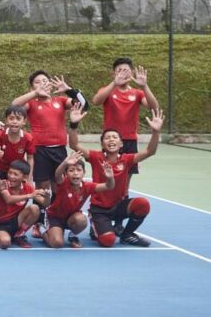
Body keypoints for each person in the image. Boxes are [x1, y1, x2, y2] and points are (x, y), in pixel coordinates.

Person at [69, 105, 163, 247]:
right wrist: (74, 124)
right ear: (102, 143)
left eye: (114, 137)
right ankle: (95, 222)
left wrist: (156, 132)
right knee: (108, 242)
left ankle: (127, 235)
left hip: (119, 206)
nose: (111, 140)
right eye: (107, 138)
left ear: (120, 143)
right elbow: (74, 144)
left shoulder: (127, 159)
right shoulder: (96, 157)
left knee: (142, 204)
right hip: (100, 209)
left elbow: (150, 151)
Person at [91, 58, 159, 176]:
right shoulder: (107, 90)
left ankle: (124, 195)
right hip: (111, 140)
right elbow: (96, 101)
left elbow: (154, 107)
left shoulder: (138, 93)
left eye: (126, 70)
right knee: (108, 174)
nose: (123, 74)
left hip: (130, 140)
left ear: (132, 73)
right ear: (114, 74)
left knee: (127, 175)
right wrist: (114, 84)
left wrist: (145, 86)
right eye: (120, 71)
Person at [42, 151, 114, 249]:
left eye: (79, 170)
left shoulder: (87, 186)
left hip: (72, 218)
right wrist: (65, 163)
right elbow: (57, 174)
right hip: (55, 217)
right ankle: (42, 231)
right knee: (57, 243)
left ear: (84, 172)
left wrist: (110, 178)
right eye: (71, 170)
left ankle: (72, 236)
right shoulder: (63, 183)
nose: (75, 173)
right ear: (66, 173)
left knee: (81, 219)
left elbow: (109, 186)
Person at [0, 160, 48, 249]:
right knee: (5, 243)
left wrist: (47, 196)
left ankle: (19, 235)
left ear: (24, 177)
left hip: (16, 221)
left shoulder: (27, 187)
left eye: (15, 174)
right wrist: (29, 195)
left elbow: (45, 203)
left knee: (35, 208)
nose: (11, 176)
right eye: (10, 173)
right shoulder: (4, 184)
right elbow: (8, 199)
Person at [0, 105, 35, 182]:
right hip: (1, 171)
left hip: (18, 172)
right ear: (6, 120)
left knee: (17, 193)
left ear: (24, 121)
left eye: (18, 119)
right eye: (11, 118)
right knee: (2, 193)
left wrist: (29, 177)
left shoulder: (28, 138)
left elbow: (30, 158)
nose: (14, 121)